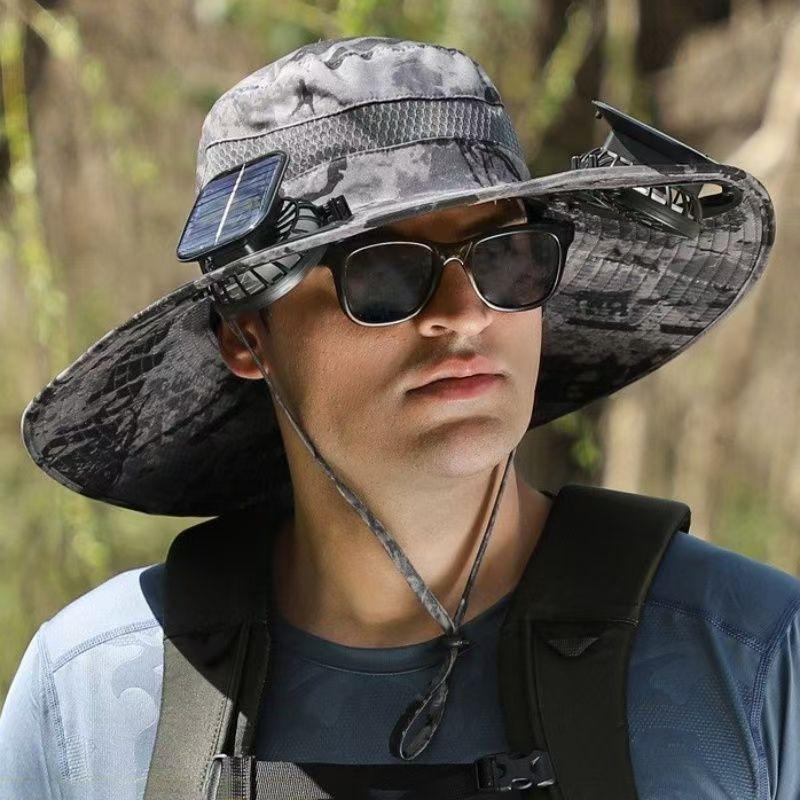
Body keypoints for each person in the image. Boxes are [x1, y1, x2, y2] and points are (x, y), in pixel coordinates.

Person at [1, 35, 798, 800]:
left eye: (504, 257)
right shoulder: (92, 696)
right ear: (247, 336)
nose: (465, 312)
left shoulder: (753, 660)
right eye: (382, 271)